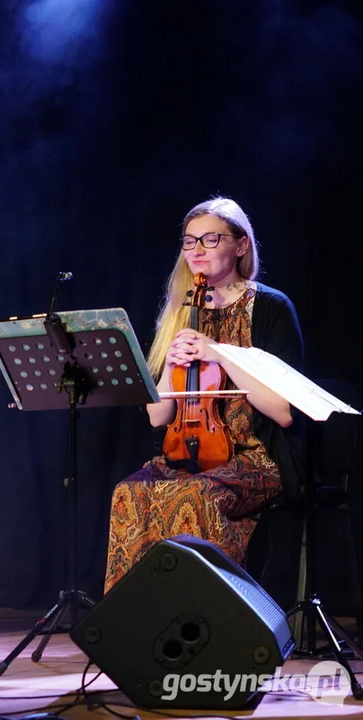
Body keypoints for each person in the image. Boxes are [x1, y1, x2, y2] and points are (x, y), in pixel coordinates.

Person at [103, 197, 304, 592]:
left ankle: (208, 618)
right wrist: (172, 369)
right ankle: (135, 620)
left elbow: (282, 412)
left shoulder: (269, 307)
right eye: (189, 241)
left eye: (210, 239)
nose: (196, 250)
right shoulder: (183, 309)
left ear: (241, 245)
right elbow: (157, 417)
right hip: (186, 453)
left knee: (198, 495)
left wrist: (220, 355)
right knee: (129, 492)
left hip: (254, 458)